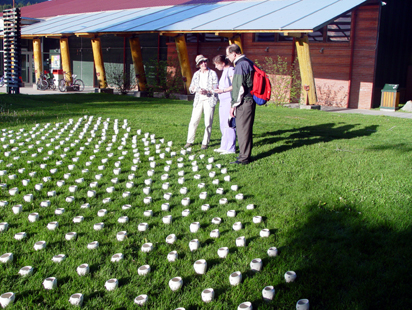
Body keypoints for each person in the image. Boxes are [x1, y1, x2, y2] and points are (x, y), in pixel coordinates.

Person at [226, 44, 255, 165]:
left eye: (228, 55)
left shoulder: (240, 65)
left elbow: (238, 88)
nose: (228, 58)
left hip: (244, 102)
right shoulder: (248, 62)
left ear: (234, 53)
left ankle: (243, 158)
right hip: (249, 100)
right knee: (246, 130)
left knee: (243, 131)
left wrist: (233, 106)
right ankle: (246, 155)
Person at [184, 55, 218, 150]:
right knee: (193, 121)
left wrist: (207, 91)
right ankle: (189, 141)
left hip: (209, 99)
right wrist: (195, 90)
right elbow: (191, 88)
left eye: (205, 61)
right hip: (198, 100)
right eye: (201, 62)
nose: (204, 64)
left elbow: (216, 88)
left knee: (208, 122)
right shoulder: (196, 74)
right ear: (198, 64)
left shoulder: (213, 73)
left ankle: (205, 142)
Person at [213, 55, 236, 154]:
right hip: (222, 101)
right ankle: (224, 146)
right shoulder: (224, 72)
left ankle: (230, 148)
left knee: (229, 124)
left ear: (223, 63)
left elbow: (235, 85)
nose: (215, 67)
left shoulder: (231, 70)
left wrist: (222, 90)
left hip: (229, 101)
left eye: (217, 64)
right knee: (223, 124)